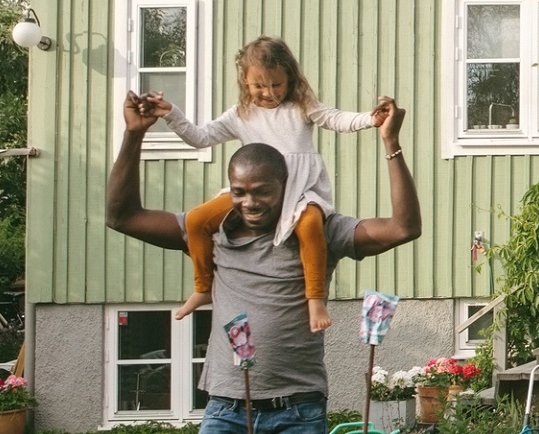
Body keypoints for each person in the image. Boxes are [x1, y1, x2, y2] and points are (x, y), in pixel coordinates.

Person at [105, 91, 420, 434]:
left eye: (262, 192)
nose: (250, 203)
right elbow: (121, 215)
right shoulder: (214, 233)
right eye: (240, 191)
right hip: (226, 414)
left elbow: (403, 227)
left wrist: (390, 144)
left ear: (286, 189)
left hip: (298, 417)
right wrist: (134, 134)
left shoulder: (316, 231)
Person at [145, 36, 395, 334]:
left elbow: (336, 119)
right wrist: (172, 113)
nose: (268, 93)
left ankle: (315, 299)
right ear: (245, 82)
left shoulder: (300, 107)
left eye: (276, 84)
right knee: (198, 220)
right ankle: (203, 286)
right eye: (258, 86)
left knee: (311, 226)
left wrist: (370, 118)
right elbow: (201, 137)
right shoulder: (240, 115)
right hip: (255, 194)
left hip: (300, 191)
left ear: (289, 77)